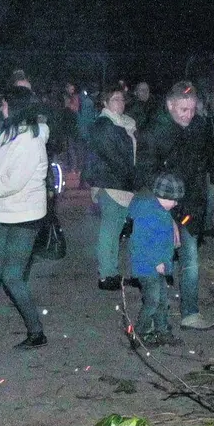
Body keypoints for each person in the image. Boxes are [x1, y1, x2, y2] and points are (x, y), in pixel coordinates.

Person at [137, 81, 214, 331]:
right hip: (162, 207)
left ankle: (190, 313)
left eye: (192, 109)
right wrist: (165, 211)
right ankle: (154, 316)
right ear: (170, 105)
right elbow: (146, 174)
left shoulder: (198, 128)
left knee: (191, 259)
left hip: (191, 206)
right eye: (183, 109)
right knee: (158, 262)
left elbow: (201, 165)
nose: (188, 114)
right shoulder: (154, 132)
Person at [0, 86, 50, 349]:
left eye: (5, 105)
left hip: (24, 217)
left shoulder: (30, 141)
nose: (1, 109)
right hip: (2, 212)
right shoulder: (8, 135)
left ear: (16, 108)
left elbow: (10, 183)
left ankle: (36, 332)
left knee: (12, 276)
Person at [87, 83, 138, 291]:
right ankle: (106, 273)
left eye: (122, 99)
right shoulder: (104, 125)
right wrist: (132, 177)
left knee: (116, 229)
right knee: (109, 229)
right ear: (106, 103)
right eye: (115, 99)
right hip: (110, 182)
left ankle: (113, 271)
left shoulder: (126, 123)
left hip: (121, 183)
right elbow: (114, 156)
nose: (120, 103)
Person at [129, 173, 184, 345]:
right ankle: (140, 333)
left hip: (158, 267)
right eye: (173, 200)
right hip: (147, 267)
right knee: (152, 301)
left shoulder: (162, 211)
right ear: (162, 196)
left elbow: (161, 237)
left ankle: (162, 330)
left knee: (162, 301)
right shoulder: (148, 212)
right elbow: (141, 241)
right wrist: (157, 261)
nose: (176, 204)